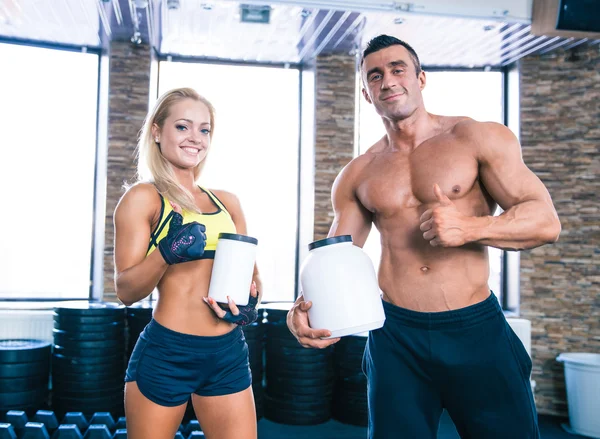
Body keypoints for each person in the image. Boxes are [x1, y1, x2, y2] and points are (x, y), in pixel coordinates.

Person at [287, 35, 561, 439]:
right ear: (366, 92)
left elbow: (545, 222)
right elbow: (335, 258)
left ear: (421, 78)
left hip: (475, 330)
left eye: (398, 69)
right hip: (395, 338)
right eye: (375, 75)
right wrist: (303, 310)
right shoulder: (359, 173)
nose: (388, 81)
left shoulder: (476, 138)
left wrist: (472, 228)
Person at [113, 87, 262, 439]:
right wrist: (167, 252)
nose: (195, 138)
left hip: (227, 352)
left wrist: (249, 305)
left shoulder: (228, 202)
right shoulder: (143, 198)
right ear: (156, 132)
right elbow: (126, 291)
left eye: (204, 129)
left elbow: (252, 277)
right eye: (182, 127)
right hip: (169, 352)